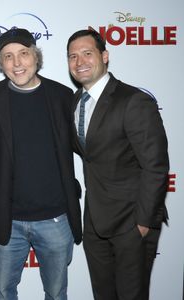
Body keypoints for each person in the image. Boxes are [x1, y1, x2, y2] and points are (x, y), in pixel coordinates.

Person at [0, 28, 82, 300]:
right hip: (7, 220)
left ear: (36, 56)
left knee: (56, 293)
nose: (17, 63)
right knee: (3, 291)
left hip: (56, 219)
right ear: (1, 63)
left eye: (23, 54)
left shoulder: (62, 97)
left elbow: (90, 147)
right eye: (8, 57)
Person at [66, 29, 169, 300]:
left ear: (105, 56)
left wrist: (143, 223)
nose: (80, 62)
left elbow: (155, 165)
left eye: (87, 53)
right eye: (72, 56)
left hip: (131, 221)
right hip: (95, 221)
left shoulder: (133, 100)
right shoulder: (76, 101)